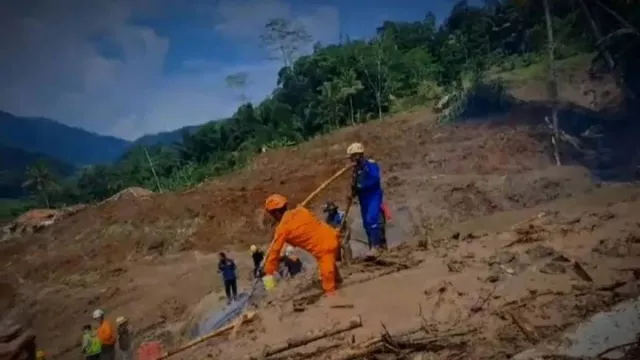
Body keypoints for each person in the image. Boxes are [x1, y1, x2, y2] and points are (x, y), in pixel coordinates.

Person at [262, 194, 342, 295]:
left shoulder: (283, 228)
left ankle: (334, 302)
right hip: (333, 235)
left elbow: (275, 251)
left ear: (276, 213)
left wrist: (268, 271)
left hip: (324, 249)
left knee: (329, 288)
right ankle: (339, 282)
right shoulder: (301, 211)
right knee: (333, 272)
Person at [346, 142, 387, 255]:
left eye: (352, 157)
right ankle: (372, 247)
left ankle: (377, 247)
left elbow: (374, 179)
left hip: (373, 196)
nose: (351, 160)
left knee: (371, 219)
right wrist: (353, 193)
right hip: (363, 199)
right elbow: (354, 186)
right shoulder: (355, 171)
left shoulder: (370, 165)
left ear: (358, 155)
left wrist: (361, 186)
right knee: (366, 223)